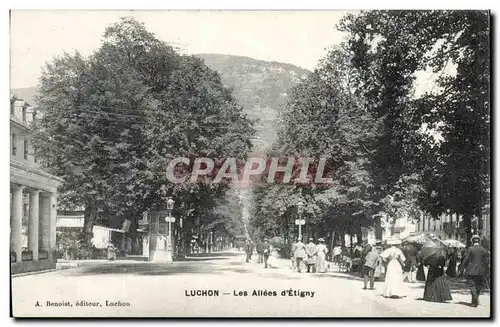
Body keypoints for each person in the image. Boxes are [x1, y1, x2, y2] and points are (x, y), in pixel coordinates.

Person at [460, 235, 490, 307]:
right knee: (479, 285)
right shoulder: (484, 250)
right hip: (481, 271)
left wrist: (461, 269)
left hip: (471, 271)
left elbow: (466, 259)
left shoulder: (470, 249)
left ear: (472, 241)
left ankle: (475, 299)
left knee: (472, 285)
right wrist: (487, 271)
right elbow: (487, 262)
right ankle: (474, 301)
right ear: (479, 241)